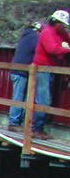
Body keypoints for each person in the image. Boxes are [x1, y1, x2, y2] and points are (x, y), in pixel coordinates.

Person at [29, 9, 70, 140]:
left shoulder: (59, 33)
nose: (64, 27)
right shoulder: (48, 33)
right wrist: (66, 49)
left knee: (43, 98)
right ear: (56, 22)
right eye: (63, 24)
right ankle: (36, 129)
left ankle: (38, 128)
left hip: (48, 69)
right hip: (42, 69)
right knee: (43, 100)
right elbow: (52, 49)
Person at [7, 22, 42, 130]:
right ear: (38, 30)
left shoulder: (26, 36)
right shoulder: (34, 37)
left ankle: (16, 122)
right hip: (21, 71)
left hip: (17, 70)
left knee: (19, 97)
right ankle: (14, 123)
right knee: (19, 97)